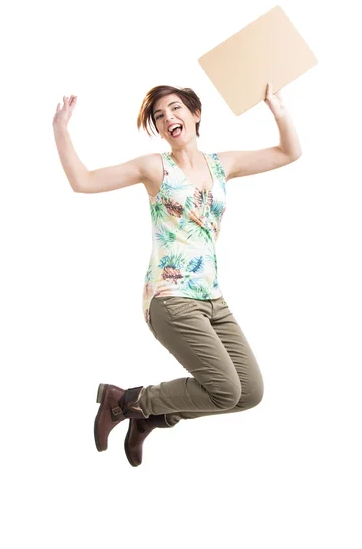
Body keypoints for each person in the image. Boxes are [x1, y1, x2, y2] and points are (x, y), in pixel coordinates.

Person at [52, 82, 302, 467]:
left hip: (212, 299)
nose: (168, 117)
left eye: (175, 108)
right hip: (170, 297)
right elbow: (82, 181)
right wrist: (61, 129)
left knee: (249, 392)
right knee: (224, 388)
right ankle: (125, 401)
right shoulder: (155, 167)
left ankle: (151, 415)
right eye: (159, 115)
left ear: (195, 114)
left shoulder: (223, 164)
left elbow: (289, 152)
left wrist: (278, 109)